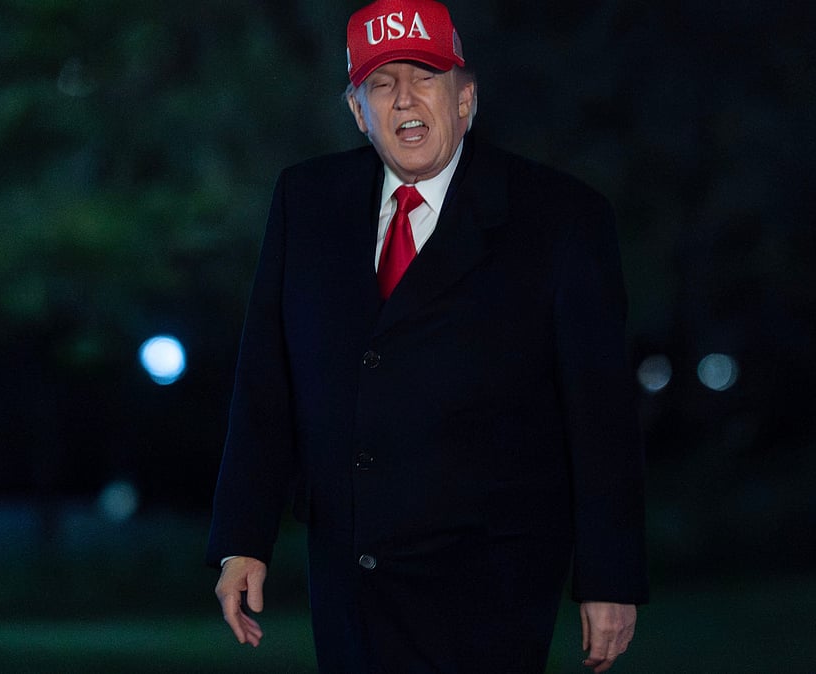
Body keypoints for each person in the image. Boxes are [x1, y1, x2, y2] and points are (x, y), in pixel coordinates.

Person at [206, 0, 648, 671]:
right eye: (382, 84)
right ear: (358, 112)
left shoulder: (559, 219)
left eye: (425, 77)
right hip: (351, 576)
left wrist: (609, 577)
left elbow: (601, 413)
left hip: (490, 585)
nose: (404, 99)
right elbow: (266, 383)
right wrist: (243, 539)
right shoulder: (307, 202)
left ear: (466, 98)